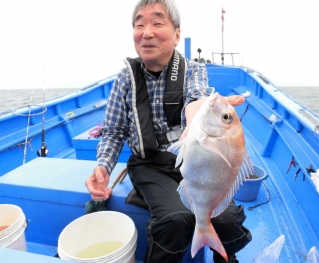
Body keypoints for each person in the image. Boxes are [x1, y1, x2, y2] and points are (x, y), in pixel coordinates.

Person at [85, 0, 252, 262]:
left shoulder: (194, 71)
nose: (147, 32)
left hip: (194, 162)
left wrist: (198, 111)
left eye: (157, 23)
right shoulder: (125, 78)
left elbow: (196, 99)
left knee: (228, 218)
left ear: (176, 35)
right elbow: (114, 131)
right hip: (148, 165)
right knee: (175, 220)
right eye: (139, 25)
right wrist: (103, 167)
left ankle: (226, 258)